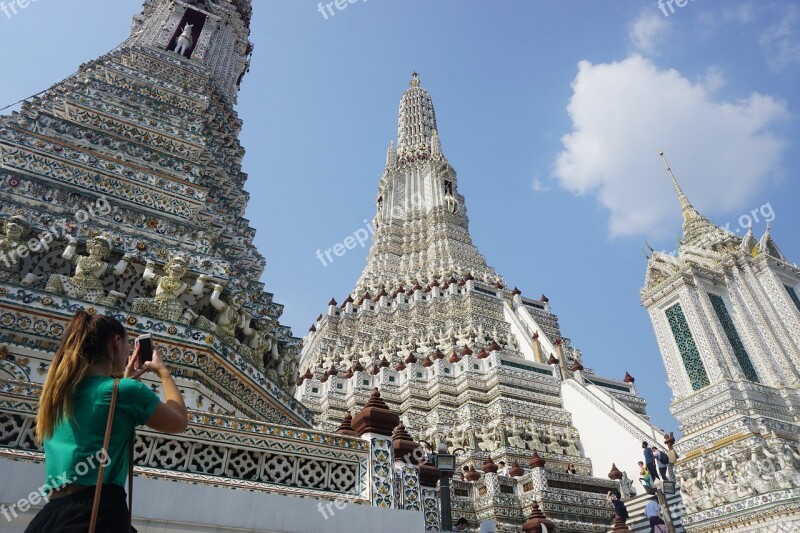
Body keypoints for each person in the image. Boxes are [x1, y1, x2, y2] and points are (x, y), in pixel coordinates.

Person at [26, 310, 189, 533]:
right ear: (116, 342)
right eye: (128, 346)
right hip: (97, 513)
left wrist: (123, 383)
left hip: (49, 517)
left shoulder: (57, 394)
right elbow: (178, 421)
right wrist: (163, 373)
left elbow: (101, 414)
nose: (128, 353)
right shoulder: (125, 392)